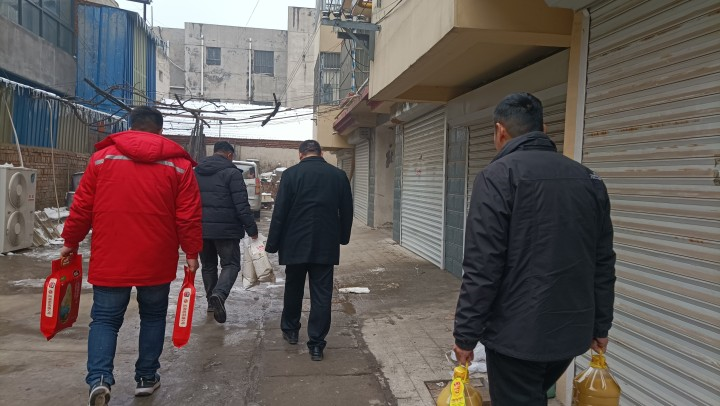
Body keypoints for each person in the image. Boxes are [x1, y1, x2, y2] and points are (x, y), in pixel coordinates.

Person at [452, 93, 616, 406]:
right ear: (544, 128)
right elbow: (603, 262)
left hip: (516, 337)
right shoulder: (589, 180)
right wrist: (600, 325)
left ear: (500, 131)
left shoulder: (497, 177)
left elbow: (483, 266)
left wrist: (465, 335)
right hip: (570, 334)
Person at [60, 106, 203, 406]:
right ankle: (146, 378)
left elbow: (82, 205)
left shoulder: (103, 158)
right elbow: (188, 215)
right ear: (160, 131)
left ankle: (99, 379)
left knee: (104, 320)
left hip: (111, 255)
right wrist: (192, 252)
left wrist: (71, 241)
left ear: (130, 126)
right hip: (157, 257)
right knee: (153, 316)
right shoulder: (179, 165)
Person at [265, 140, 353, 361]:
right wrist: (343, 238)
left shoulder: (291, 175)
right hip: (326, 243)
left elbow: (280, 211)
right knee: (322, 294)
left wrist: (272, 244)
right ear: (321, 153)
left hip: (294, 243)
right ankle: (316, 345)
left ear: (300, 154)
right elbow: (347, 210)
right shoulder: (338, 175)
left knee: (293, 288)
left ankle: (291, 331)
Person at [194, 141, 258, 323]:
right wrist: (251, 229)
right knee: (230, 265)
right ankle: (219, 295)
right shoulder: (232, 173)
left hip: (201, 228)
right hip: (226, 230)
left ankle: (211, 303)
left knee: (208, 266)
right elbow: (241, 204)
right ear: (230, 155)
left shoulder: (196, 171)